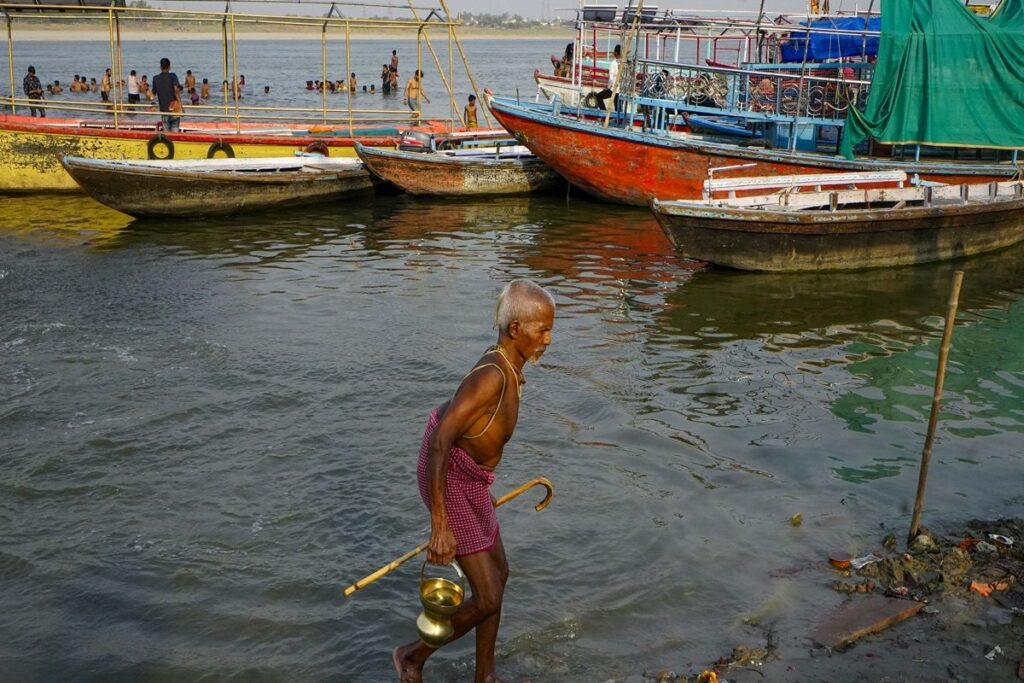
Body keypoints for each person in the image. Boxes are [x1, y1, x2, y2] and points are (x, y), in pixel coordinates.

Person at [393, 279, 556, 683]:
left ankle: (485, 677)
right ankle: (412, 655)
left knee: (499, 574)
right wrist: (440, 525)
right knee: (487, 597)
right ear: (515, 329)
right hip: (449, 476)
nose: (548, 340)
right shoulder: (491, 377)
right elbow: (439, 442)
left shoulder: (510, 367)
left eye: (551, 329)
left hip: (472, 477)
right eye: (542, 330)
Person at [152, 57, 182, 132]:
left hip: (164, 110)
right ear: (169, 67)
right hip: (174, 109)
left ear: (160, 67)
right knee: (175, 131)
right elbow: (176, 91)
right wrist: (181, 106)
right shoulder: (173, 76)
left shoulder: (156, 78)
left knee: (166, 132)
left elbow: (152, 95)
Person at [596, 44, 622, 111]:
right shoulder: (623, 62)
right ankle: (619, 119)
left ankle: (604, 112)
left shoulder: (613, 63)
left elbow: (611, 78)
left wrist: (608, 87)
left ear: (615, 53)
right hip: (620, 90)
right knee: (617, 108)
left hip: (613, 89)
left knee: (598, 96)